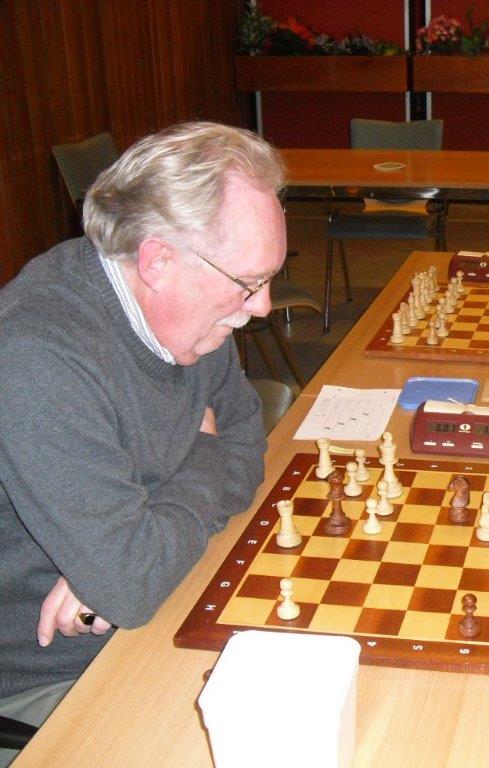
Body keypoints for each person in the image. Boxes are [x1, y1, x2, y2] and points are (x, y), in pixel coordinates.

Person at [0, 122, 285, 762]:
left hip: (162, 595)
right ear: (157, 260)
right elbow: (130, 587)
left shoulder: (193, 314)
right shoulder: (37, 357)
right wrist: (203, 455)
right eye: (249, 282)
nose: (263, 306)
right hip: (57, 668)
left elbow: (246, 439)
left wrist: (144, 540)